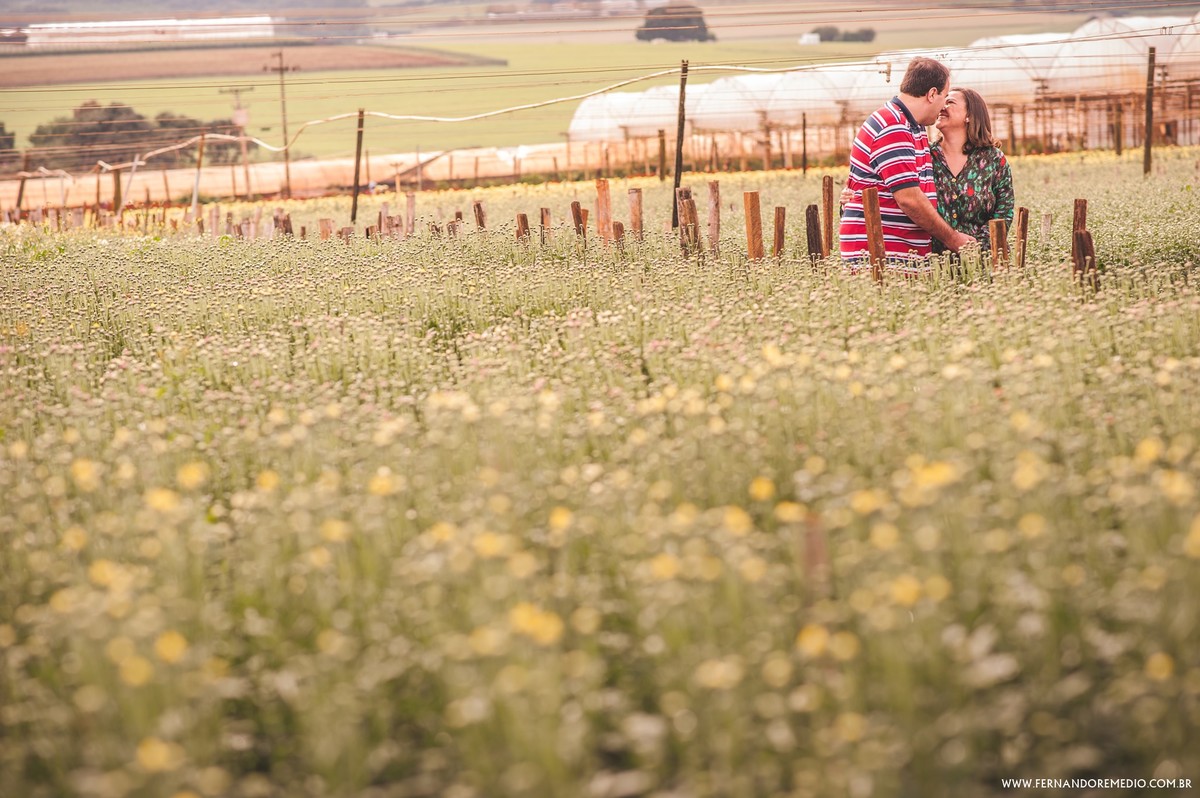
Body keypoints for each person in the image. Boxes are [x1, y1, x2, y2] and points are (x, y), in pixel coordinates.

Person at [839, 57, 975, 273]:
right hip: (877, 258)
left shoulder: (913, 127)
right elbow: (909, 199)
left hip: (898, 256)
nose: (942, 107)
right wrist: (953, 238)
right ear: (931, 94)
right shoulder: (893, 127)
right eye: (943, 97)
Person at [929, 87, 1014, 255]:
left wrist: (976, 248)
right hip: (934, 267)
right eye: (942, 101)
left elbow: (1004, 211)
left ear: (969, 116)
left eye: (950, 102)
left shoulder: (993, 159)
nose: (942, 106)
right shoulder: (926, 157)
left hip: (984, 263)